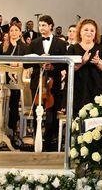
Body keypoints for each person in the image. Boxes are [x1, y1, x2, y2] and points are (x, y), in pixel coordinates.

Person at [28, 15, 68, 150]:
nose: (41, 28)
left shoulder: (60, 43)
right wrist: (39, 62)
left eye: (44, 25)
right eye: (40, 25)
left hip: (53, 82)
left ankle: (49, 142)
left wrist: (53, 67)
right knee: (36, 112)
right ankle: (36, 142)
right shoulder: (34, 43)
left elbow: (65, 64)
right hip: (37, 82)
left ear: (51, 26)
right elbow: (26, 64)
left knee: (51, 113)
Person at [68, 19, 102, 115]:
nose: (89, 33)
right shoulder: (73, 48)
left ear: (95, 33)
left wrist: (99, 63)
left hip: (98, 88)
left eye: (92, 31)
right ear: (80, 32)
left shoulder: (101, 48)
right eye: (86, 30)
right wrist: (82, 62)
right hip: (79, 89)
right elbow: (69, 70)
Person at [0, 23, 28, 147]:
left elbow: (28, 63)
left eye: (16, 30)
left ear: (20, 33)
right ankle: (1, 132)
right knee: (3, 106)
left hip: (16, 80)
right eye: (11, 30)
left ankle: (12, 132)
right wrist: (7, 63)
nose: (13, 32)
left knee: (14, 106)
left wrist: (20, 64)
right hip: (4, 80)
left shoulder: (23, 47)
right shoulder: (3, 46)